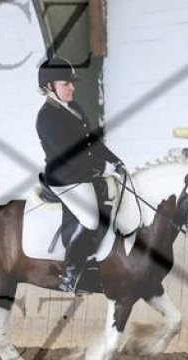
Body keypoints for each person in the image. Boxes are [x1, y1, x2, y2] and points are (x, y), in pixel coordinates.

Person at [36, 57, 126, 294]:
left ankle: (96, 263)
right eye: (66, 84)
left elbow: (92, 143)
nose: (72, 87)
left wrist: (115, 160)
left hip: (84, 173)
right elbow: (70, 155)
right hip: (66, 178)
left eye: (71, 83)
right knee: (89, 219)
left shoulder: (74, 108)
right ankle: (70, 273)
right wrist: (101, 169)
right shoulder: (46, 117)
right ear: (49, 87)